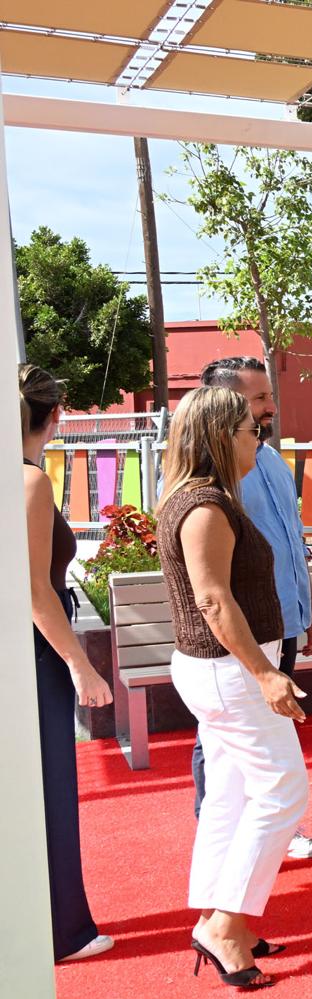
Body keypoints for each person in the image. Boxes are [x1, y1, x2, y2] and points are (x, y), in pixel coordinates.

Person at [156, 387, 308, 988]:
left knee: (230, 795)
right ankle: (225, 924)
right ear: (223, 436)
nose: (259, 441)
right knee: (283, 792)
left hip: (221, 671)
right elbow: (213, 601)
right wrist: (266, 674)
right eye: (253, 431)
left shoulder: (203, 498)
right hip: (230, 672)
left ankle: (214, 920)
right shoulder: (205, 507)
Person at [193, 357, 312, 861]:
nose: (271, 407)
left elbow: (293, 541)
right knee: (224, 743)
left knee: (268, 733)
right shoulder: (208, 478)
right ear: (224, 405)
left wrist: (311, 609)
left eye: (269, 396)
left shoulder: (270, 460)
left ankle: (273, 831)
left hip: (284, 621)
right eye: (259, 399)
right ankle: (221, 836)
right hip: (240, 631)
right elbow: (207, 578)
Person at [20, 365, 115, 963]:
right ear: (55, 415)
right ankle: (61, 930)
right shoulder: (29, 481)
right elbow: (36, 590)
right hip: (36, 655)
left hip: (26, 650)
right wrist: (81, 664)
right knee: (48, 789)